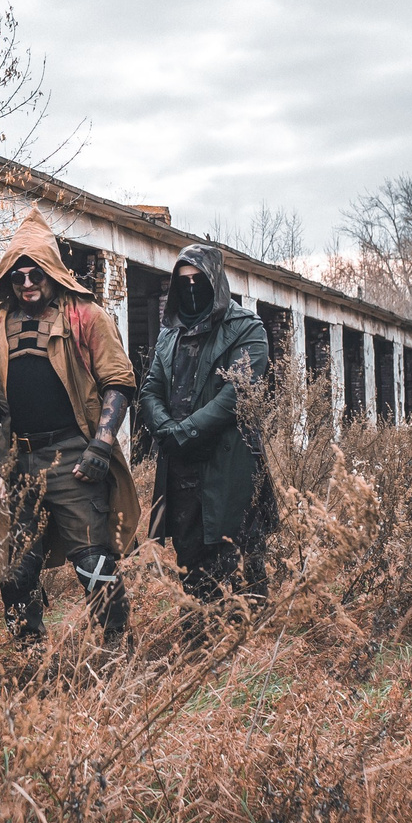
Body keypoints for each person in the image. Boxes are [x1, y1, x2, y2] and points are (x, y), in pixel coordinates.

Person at [0, 211, 141, 646]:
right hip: (14, 461)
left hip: (73, 456)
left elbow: (119, 381)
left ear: (51, 272)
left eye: (35, 274)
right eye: (18, 276)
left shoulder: (85, 316)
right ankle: (27, 651)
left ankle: (115, 647)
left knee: (93, 558)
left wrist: (101, 445)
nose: (27, 283)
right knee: (13, 566)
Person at [140, 244, 279, 624]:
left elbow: (238, 392)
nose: (190, 287)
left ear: (215, 280)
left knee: (238, 554)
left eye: (197, 279)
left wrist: (186, 430)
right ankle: (200, 644)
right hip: (181, 469)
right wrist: (166, 428)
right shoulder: (170, 336)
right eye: (182, 280)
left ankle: (248, 646)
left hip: (230, 464)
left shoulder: (246, 328)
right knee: (190, 558)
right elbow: (150, 389)